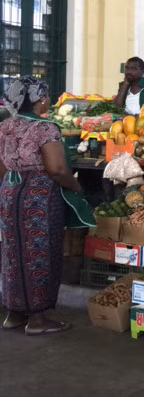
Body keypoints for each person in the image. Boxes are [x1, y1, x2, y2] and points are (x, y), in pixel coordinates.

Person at [0, 77, 83, 335]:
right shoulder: (46, 128)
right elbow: (57, 169)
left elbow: (1, 165)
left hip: (10, 191)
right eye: (46, 95)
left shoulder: (5, 126)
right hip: (39, 195)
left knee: (13, 250)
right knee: (40, 249)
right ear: (40, 99)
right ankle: (38, 319)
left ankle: (14, 313)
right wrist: (75, 186)